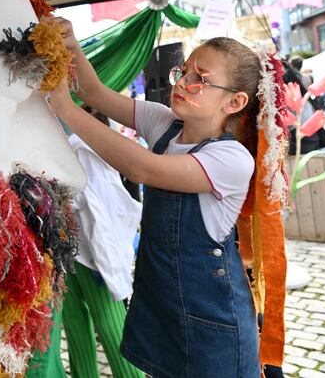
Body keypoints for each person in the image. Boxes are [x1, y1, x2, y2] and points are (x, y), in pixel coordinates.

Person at [46, 20, 264, 378]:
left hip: (213, 320)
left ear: (235, 101)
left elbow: (143, 168)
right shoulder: (163, 122)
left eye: (201, 79)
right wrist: (70, 44)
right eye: (185, 70)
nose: (182, 82)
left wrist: (65, 111)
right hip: (163, 308)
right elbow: (95, 93)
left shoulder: (232, 159)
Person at [26, 109, 144, 378]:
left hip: (85, 254)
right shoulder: (82, 149)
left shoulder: (81, 150)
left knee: (103, 325)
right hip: (76, 254)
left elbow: (97, 209)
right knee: (87, 325)